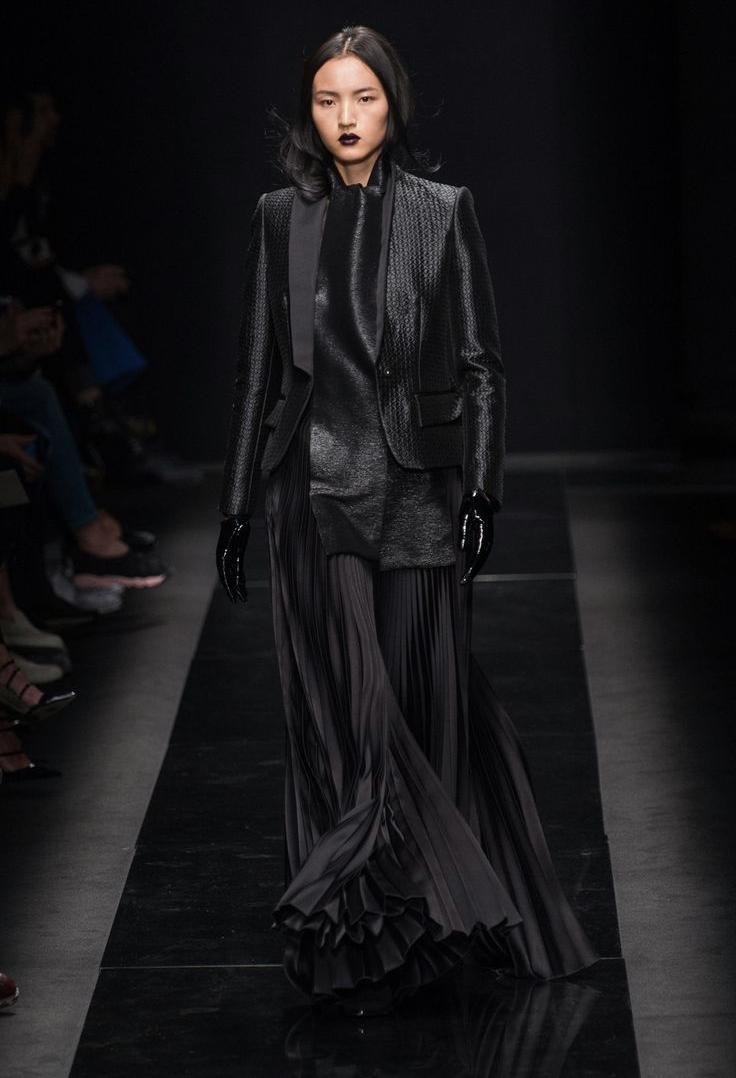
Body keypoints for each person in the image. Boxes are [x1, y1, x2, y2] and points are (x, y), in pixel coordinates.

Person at [217, 25, 598, 1014]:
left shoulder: (441, 211)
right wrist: (236, 506)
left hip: (417, 491)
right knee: (359, 718)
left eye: (364, 97)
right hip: (312, 492)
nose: (345, 118)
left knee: (426, 708)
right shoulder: (278, 217)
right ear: (309, 112)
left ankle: (426, 926)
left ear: (393, 103)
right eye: (327, 100)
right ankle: (351, 926)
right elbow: (258, 372)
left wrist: (481, 491)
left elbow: (480, 365)